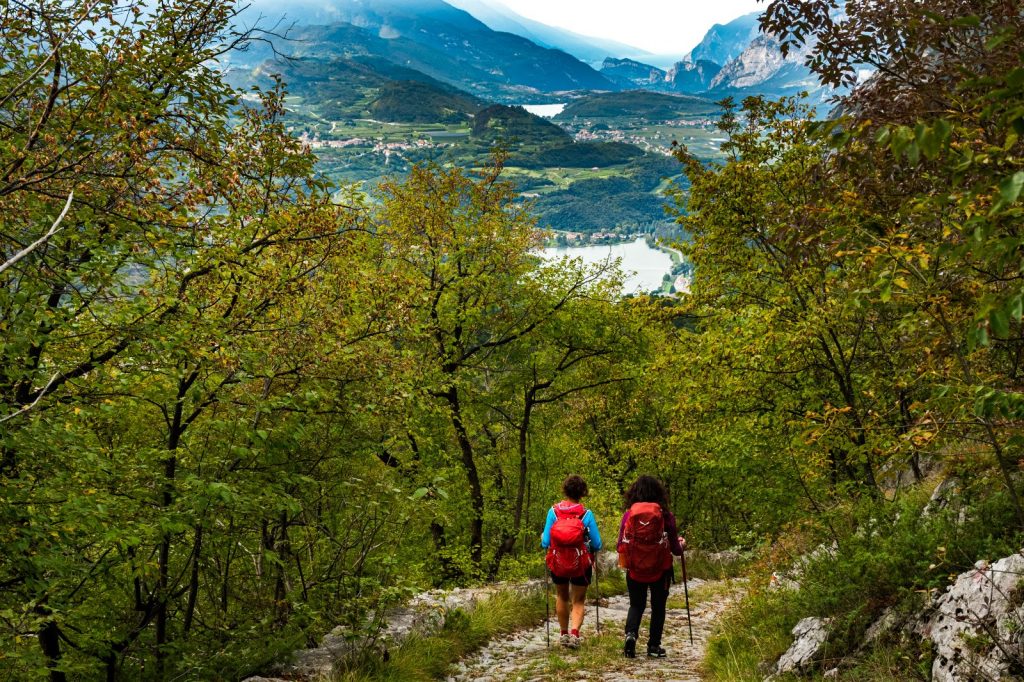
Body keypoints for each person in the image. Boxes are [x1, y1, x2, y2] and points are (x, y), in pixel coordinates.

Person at [616, 475, 685, 658]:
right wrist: (681, 544)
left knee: (636, 605)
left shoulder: (629, 515)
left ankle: (631, 635)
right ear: (659, 493)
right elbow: (677, 550)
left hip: (635, 570)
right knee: (658, 607)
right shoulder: (665, 515)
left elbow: (619, 546)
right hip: (660, 569)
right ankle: (653, 646)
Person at [540, 474, 602, 648]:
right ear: (582, 493)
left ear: (564, 490)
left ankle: (563, 634)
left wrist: (544, 539)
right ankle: (575, 633)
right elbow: (597, 544)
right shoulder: (586, 514)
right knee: (579, 600)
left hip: (558, 562)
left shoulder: (553, 512)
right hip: (580, 564)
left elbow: (545, 542)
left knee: (561, 595)